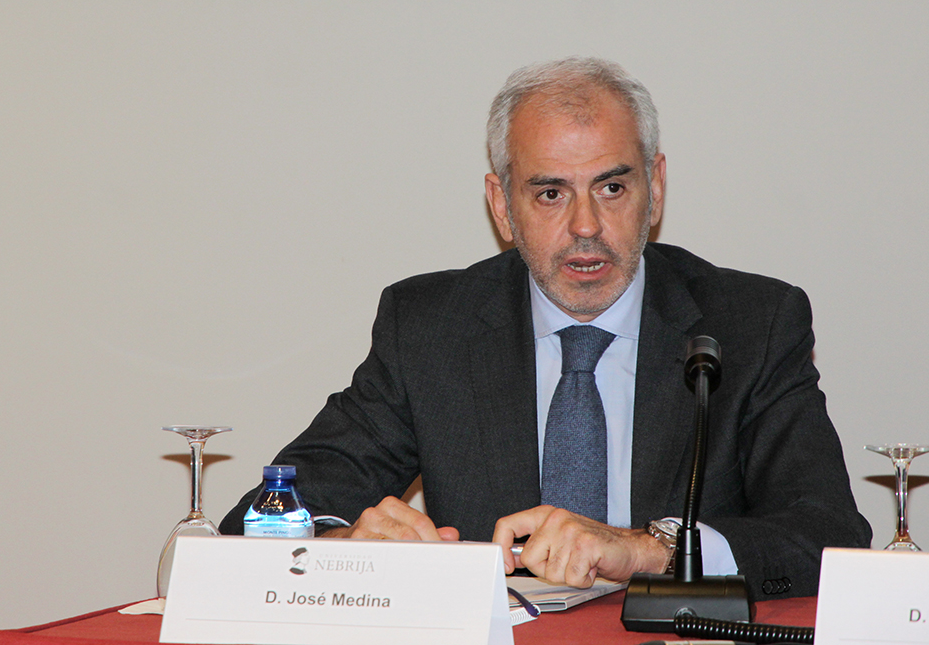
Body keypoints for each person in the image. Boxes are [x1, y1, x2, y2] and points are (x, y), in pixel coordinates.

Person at [220, 57, 871, 599]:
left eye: (611, 189)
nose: (586, 225)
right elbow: (260, 516)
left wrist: (651, 548)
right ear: (502, 207)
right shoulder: (428, 329)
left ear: (655, 188)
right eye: (550, 193)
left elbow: (830, 536)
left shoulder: (753, 324)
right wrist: (345, 547)